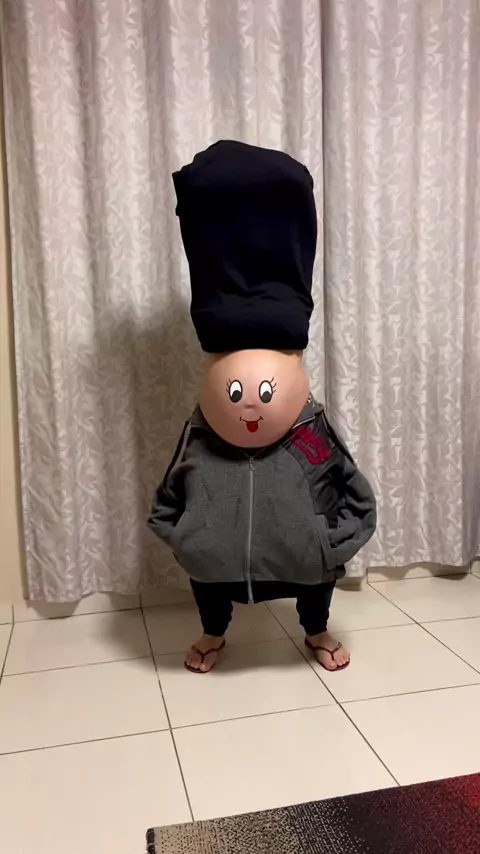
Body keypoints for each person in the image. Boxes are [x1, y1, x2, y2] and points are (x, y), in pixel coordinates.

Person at [149, 141, 376, 674]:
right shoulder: (213, 306)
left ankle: (315, 629)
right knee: (210, 576)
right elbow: (166, 501)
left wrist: (327, 544)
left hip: (296, 429)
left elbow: (354, 494)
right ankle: (213, 631)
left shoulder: (309, 434)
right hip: (213, 434)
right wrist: (188, 540)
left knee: (314, 564)